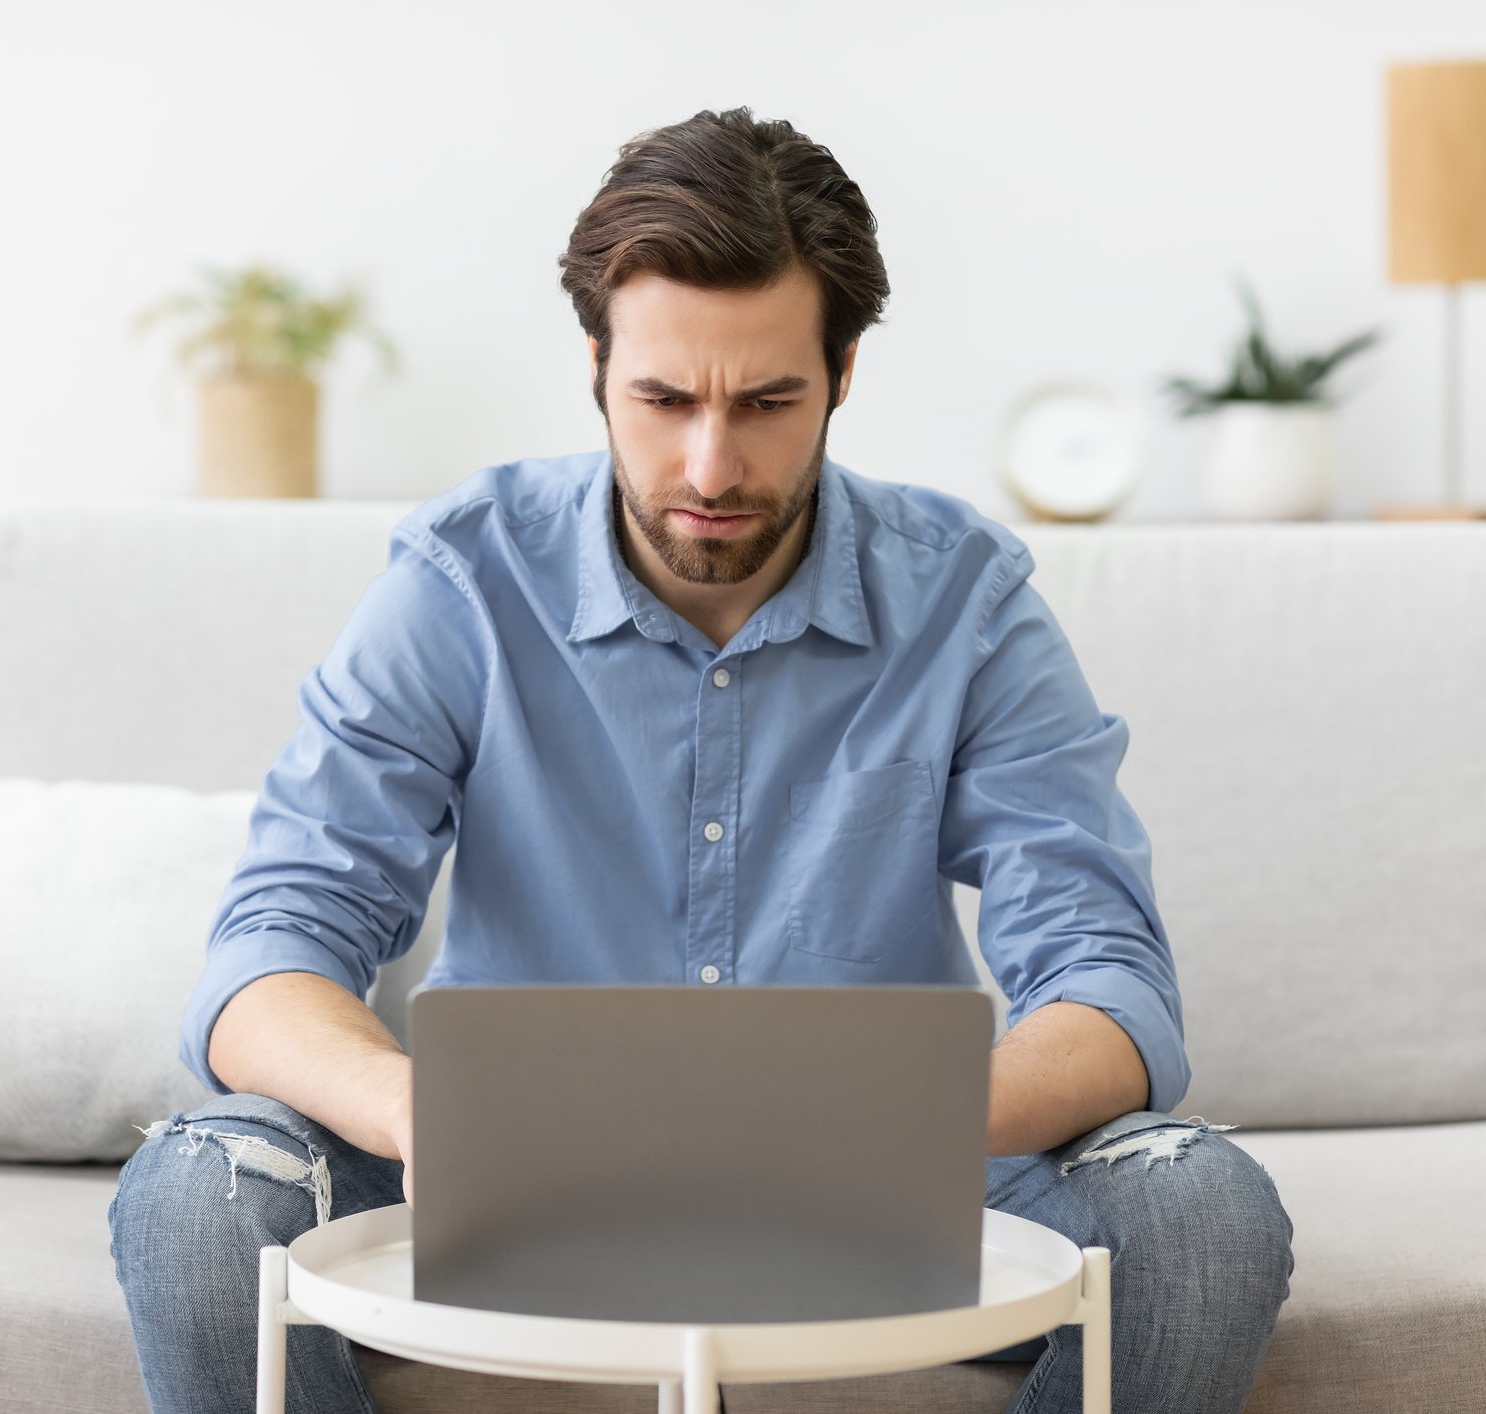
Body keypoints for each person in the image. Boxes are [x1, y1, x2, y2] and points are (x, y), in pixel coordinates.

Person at [108, 104, 1294, 1414]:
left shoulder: (964, 598)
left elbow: (1106, 978)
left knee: (1201, 1204)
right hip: (495, 1178)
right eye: (661, 399)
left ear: (843, 373)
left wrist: (902, 1128)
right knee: (197, 1188)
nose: (709, 464)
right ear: (595, 366)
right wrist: (420, 1111)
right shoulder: (462, 578)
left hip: (889, 1180)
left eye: (768, 401)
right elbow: (268, 949)